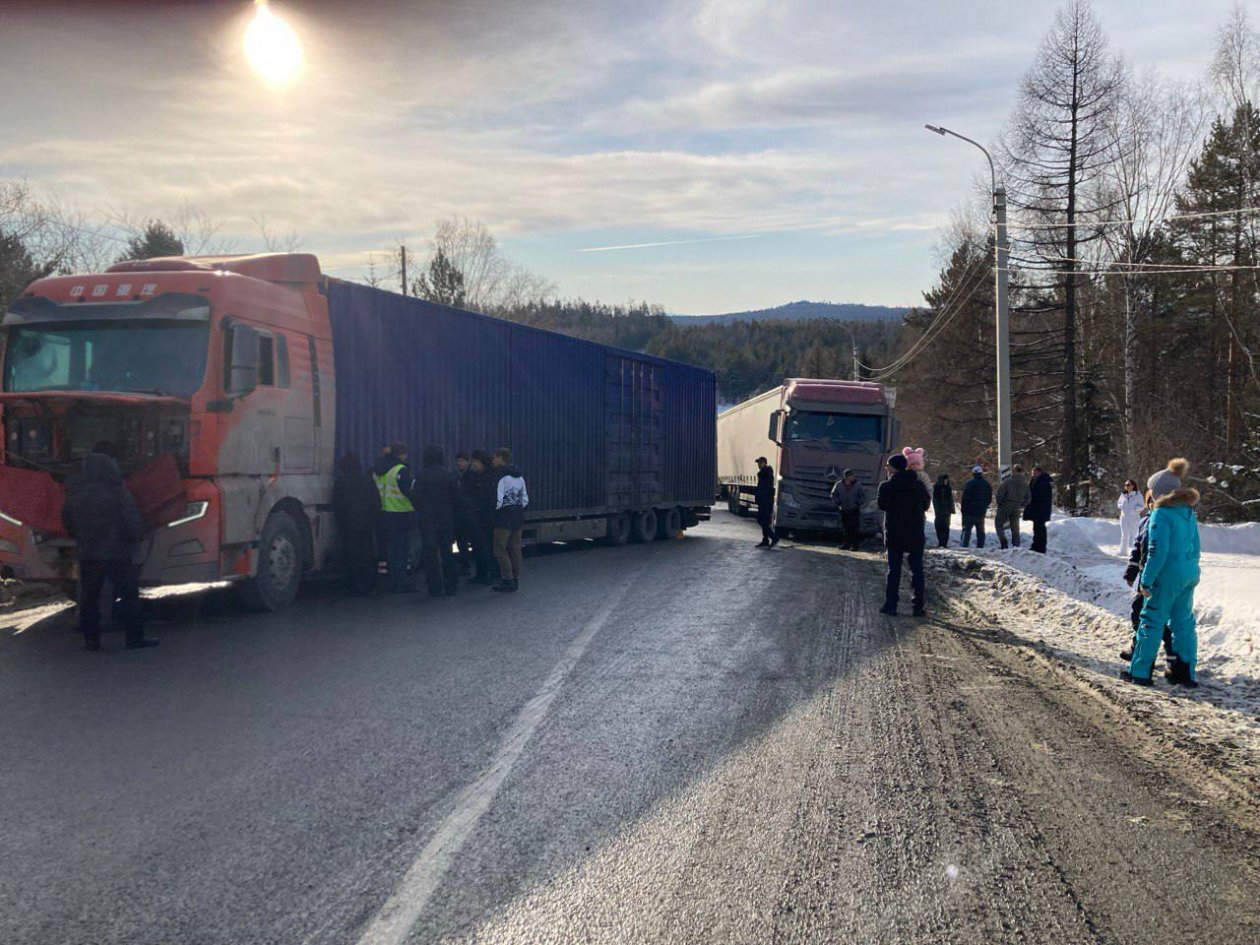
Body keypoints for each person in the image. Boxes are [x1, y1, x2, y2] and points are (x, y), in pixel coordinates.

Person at [61, 452, 155, 650]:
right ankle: (134, 638)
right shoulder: (118, 492)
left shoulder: (76, 493)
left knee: (90, 599)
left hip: (89, 554)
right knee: (129, 597)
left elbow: (67, 521)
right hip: (119, 553)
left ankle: (92, 640)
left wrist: (82, 537)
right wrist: (136, 538)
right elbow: (131, 522)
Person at [1124, 483, 1201, 688]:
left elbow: (1157, 553)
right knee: (1183, 623)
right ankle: (1184, 673)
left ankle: (1140, 672)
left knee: (1151, 621)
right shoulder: (1188, 512)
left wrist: (1146, 580)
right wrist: (1192, 570)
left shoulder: (1161, 514)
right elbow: (1196, 548)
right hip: (1188, 573)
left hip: (1165, 576)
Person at [1119, 487, 1175, 668]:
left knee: (1159, 617)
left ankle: (1172, 653)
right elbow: (1137, 549)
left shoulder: (1168, 523)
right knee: (1138, 611)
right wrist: (1131, 571)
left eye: (1156, 500)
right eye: (1150, 501)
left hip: (1163, 577)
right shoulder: (1145, 522)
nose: (1152, 504)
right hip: (1145, 576)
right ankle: (1137, 646)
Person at [877, 453, 931, 617]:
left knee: (894, 570)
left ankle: (891, 605)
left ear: (893, 468)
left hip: (895, 533)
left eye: (888, 465)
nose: (886, 468)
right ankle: (918, 606)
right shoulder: (919, 485)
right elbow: (926, 505)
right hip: (915, 532)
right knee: (917, 569)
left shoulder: (886, 486)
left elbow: (882, 505)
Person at [413, 445, 460, 597]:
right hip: (446, 518)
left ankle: (435, 587)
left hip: (428, 520)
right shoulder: (450, 475)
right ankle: (451, 586)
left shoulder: (421, 475)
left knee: (430, 554)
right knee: (448, 552)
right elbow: (457, 498)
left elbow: (415, 497)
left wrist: (422, 509)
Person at [332, 452, 380, 595]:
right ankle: (368, 584)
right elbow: (375, 502)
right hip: (366, 523)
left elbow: (338, 505)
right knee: (367, 553)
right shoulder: (367, 480)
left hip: (348, 524)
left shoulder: (340, 482)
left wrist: (340, 523)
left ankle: (354, 584)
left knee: (351, 554)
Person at [374, 442, 416, 592]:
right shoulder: (401, 470)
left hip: (385, 515)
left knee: (392, 550)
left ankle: (393, 581)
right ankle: (403, 583)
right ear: (401, 454)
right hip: (402, 515)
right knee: (403, 551)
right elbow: (411, 493)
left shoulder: (378, 471)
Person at [491, 447, 528, 592]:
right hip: (518, 516)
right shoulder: (519, 476)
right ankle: (516, 577)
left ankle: (507, 579)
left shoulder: (499, 476)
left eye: (494, 457)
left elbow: (497, 500)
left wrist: (494, 513)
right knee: (515, 548)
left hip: (503, 518)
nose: (493, 460)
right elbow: (525, 498)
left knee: (499, 548)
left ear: (501, 458)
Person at [468, 450, 498, 585]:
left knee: (489, 547)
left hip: (488, 518)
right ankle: (481, 573)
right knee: (477, 547)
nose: (473, 464)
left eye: (475, 461)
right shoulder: (474, 476)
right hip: (476, 517)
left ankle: (493, 574)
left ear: (481, 462)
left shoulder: (491, 476)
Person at [994, 464, 1031, 549]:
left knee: (998, 524)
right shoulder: (1025, 484)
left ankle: (1004, 543)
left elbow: (1000, 494)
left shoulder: (1008, 481)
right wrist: (1022, 504)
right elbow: (1029, 498)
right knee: (1015, 527)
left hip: (1006, 505)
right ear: (1022, 471)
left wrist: (1000, 504)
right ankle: (1016, 545)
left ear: (1013, 471)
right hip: (1017, 506)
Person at [830, 469, 868, 550]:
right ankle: (846, 544)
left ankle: (855, 545)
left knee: (854, 528)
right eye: (851, 476)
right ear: (846, 477)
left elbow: (863, 496)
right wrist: (838, 503)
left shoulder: (858, 485)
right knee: (846, 528)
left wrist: (858, 503)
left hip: (854, 509)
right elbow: (833, 495)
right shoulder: (839, 484)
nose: (853, 477)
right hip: (843, 509)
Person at [453, 452, 477, 577]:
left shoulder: (470, 476)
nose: (459, 463)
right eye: (457, 461)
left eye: (461, 461)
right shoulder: (459, 476)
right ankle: (465, 565)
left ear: (468, 462)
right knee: (461, 541)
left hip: (469, 514)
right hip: (462, 515)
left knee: (470, 541)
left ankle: (468, 565)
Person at [959, 466, 992, 549]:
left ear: (973, 474)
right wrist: (984, 506)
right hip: (981, 511)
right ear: (981, 473)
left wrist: (963, 509)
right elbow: (989, 498)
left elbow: (965, 498)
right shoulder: (986, 484)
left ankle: (964, 545)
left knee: (967, 529)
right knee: (980, 530)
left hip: (970, 511)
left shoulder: (969, 484)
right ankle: (980, 546)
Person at [1025, 465, 1054, 553]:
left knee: (1039, 528)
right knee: (1037, 527)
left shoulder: (1043, 482)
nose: (1032, 475)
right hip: (1038, 509)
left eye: (1034, 473)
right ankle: (1037, 545)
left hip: (1040, 509)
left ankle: (1040, 546)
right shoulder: (1039, 481)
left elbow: (1039, 496)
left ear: (1039, 472)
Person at [754, 456, 779, 548]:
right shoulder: (764, 473)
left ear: (764, 463)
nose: (758, 465)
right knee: (763, 521)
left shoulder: (766, 473)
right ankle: (765, 540)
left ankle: (774, 537)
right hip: (764, 501)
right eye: (758, 463)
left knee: (762, 521)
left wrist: (760, 496)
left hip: (766, 501)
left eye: (760, 463)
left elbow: (764, 488)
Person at [1117, 478, 1144, 555]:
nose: (1127, 486)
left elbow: (1142, 506)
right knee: (1124, 534)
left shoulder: (1138, 495)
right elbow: (1119, 503)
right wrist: (1122, 506)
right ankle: (1123, 551)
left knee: (1135, 534)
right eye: (1125, 485)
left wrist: (1135, 510)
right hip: (1124, 517)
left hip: (1134, 518)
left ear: (1133, 486)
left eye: (1128, 485)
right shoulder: (1123, 495)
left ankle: (1135, 551)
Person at [932, 473, 955, 548]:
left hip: (946, 511)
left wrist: (952, 509)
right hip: (939, 511)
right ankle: (941, 542)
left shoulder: (948, 488)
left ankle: (944, 543)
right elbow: (934, 500)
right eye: (945, 480)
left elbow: (951, 500)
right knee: (939, 526)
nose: (946, 481)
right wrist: (937, 510)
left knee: (946, 527)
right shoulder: (936, 488)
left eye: (947, 480)